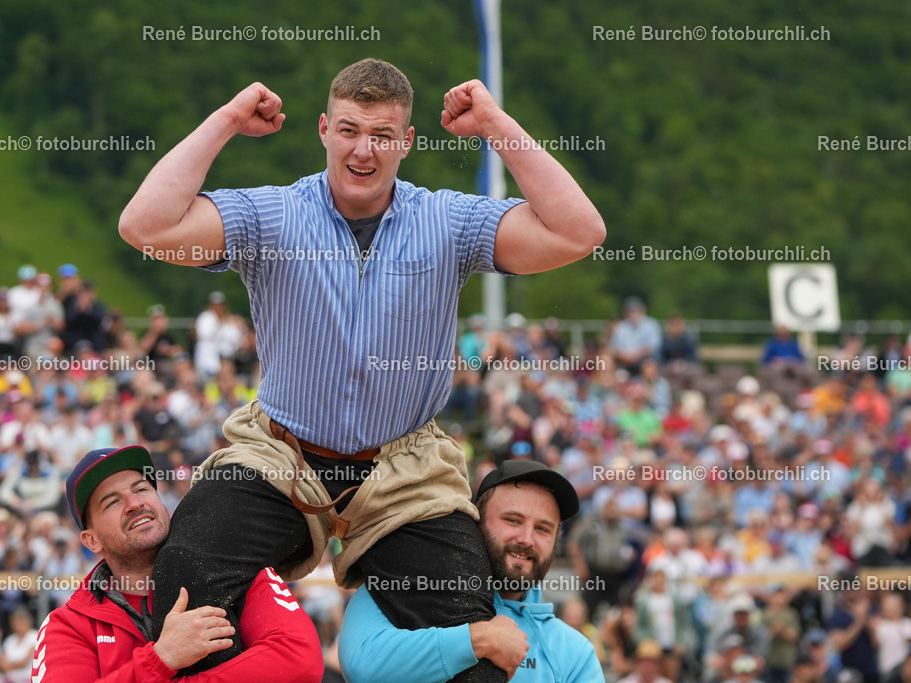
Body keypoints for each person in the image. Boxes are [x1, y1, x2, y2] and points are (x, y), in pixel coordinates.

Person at [118, 57, 604, 678]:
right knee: (187, 569)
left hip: (405, 467)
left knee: (477, 630)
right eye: (349, 130)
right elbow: (145, 226)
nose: (363, 150)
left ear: (405, 142)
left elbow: (578, 232)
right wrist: (227, 120)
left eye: (381, 135)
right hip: (281, 454)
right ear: (323, 129)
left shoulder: (448, 221)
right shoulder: (272, 215)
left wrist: (494, 124)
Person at [31, 445, 322, 682]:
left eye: (142, 489)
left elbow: (299, 662)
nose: (134, 503)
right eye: (112, 502)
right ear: (91, 540)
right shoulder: (67, 625)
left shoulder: (233, 561)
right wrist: (162, 658)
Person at [337, 460, 602, 682]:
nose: (526, 539)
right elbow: (361, 664)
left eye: (543, 529)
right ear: (475, 523)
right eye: (513, 520)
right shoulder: (403, 582)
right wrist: (479, 640)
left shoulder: (575, 654)